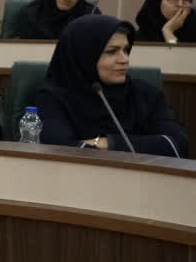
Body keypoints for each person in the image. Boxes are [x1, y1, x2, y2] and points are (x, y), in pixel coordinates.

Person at [34, 15, 187, 157]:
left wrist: (106, 143)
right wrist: (146, 145)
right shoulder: (53, 97)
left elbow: (177, 145)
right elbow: (61, 151)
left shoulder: (146, 94)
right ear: (84, 56)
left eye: (126, 50)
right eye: (111, 52)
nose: (124, 59)